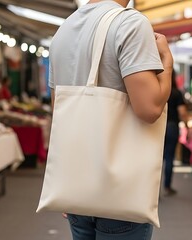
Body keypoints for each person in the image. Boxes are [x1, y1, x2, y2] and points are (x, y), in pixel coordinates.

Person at [48, 0, 173, 239]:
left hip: (78, 189)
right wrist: (167, 63)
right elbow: (150, 108)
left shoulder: (64, 29)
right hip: (120, 191)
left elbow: (61, 115)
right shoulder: (130, 23)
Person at [163, 71, 188, 196]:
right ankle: (167, 186)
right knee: (169, 157)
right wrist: (187, 126)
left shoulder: (158, 91)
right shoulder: (176, 93)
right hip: (172, 127)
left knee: (157, 159)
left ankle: (154, 191)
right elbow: (182, 112)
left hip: (158, 128)